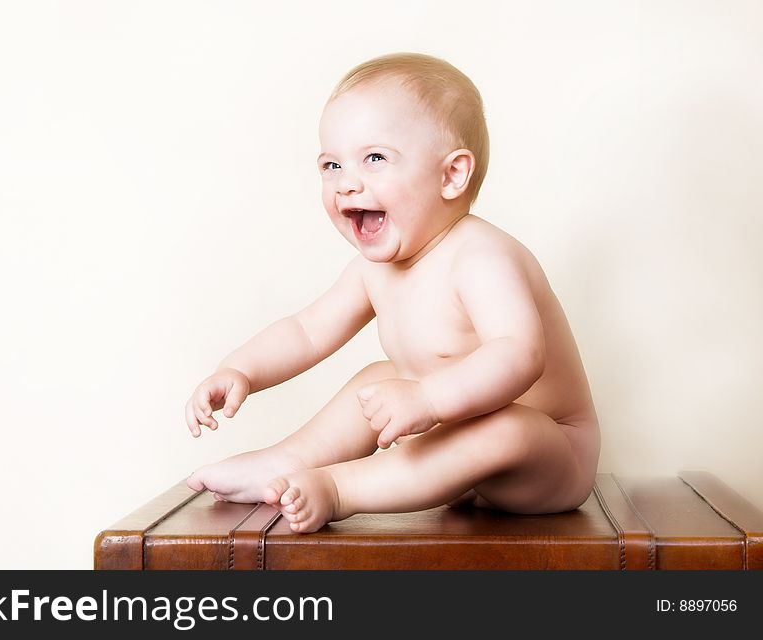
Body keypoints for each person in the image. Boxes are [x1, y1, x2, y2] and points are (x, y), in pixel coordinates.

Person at [184, 52, 600, 533]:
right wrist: (240, 370)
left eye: (374, 158)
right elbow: (307, 330)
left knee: (508, 426)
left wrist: (428, 398)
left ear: (451, 175)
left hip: (548, 457)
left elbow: (519, 353)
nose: (346, 184)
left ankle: (343, 488)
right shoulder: (372, 269)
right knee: (377, 378)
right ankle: (285, 461)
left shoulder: (481, 257)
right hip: (454, 448)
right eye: (331, 164)